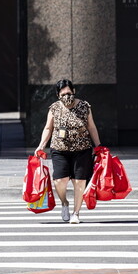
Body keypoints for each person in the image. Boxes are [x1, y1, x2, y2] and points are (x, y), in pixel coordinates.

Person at [34, 79, 101, 224]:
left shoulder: (84, 106)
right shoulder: (54, 108)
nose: (67, 96)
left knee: (79, 181)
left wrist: (98, 146)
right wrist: (41, 145)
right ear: (58, 95)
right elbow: (48, 128)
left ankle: (76, 213)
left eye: (69, 93)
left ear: (74, 91)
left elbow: (92, 127)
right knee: (59, 181)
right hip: (60, 149)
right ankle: (64, 203)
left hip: (82, 149)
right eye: (63, 94)